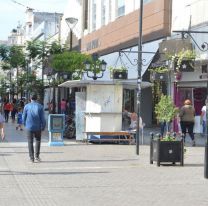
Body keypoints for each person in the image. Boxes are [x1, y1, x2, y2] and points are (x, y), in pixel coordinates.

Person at [22, 94, 46, 163]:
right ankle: (37, 156)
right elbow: (43, 119)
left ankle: (31, 158)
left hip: (29, 127)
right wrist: (43, 126)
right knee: (38, 140)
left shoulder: (26, 106)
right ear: (37, 98)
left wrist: (24, 124)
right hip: (38, 127)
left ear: (30, 99)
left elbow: (24, 117)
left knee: (30, 142)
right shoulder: (40, 106)